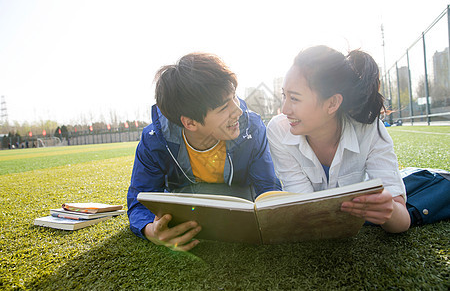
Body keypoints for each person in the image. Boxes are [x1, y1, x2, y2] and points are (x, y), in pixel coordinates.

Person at [127, 53, 281, 251]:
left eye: (234, 96)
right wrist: (151, 231)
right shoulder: (155, 140)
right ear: (190, 122)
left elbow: (268, 189)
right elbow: (139, 199)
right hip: (187, 208)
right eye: (224, 107)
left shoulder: (252, 126)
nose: (238, 111)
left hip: (242, 201)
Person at [267, 45, 410, 233]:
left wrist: (389, 212)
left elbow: (402, 221)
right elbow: (306, 211)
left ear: (333, 103)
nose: (284, 110)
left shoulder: (369, 130)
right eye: (284, 96)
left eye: (294, 99)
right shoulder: (279, 130)